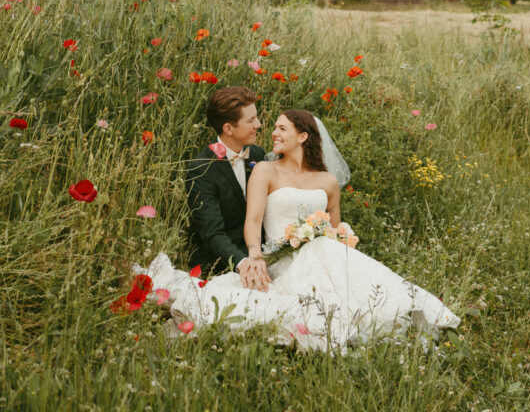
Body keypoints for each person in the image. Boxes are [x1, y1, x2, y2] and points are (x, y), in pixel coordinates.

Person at [144, 108, 460, 350]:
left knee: (327, 248)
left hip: (324, 253)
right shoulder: (265, 169)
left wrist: (335, 234)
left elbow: (336, 229)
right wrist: (254, 255)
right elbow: (253, 222)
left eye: (282, 128)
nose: (272, 133)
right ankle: (344, 323)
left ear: (303, 136)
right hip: (283, 257)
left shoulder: (328, 182)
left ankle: (394, 313)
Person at [185, 85, 270, 290]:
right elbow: (212, 233)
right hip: (224, 262)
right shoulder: (201, 169)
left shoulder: (258, 155)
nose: (258, 124)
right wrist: (244, 263)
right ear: (228, 128)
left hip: (262, 251)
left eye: (256, 117)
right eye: (250, 120)